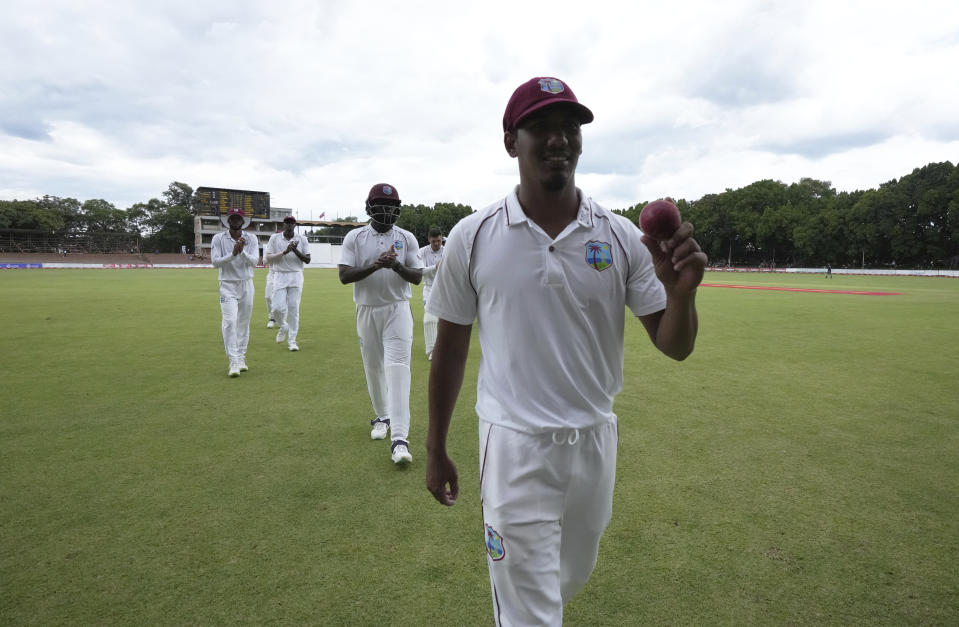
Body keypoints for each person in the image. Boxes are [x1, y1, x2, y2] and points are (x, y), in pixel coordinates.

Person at [425, 77, 707, 625]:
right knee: (529, 609)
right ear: (512, 142)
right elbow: (451, 350)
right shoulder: (474, 235)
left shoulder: (620, 236)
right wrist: (435, 445)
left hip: (594, 445)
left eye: (570, 128)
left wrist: (680, 296)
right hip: (514, 447)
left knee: (563, 582)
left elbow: (675, 346)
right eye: (542, 127)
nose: (559, 139)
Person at [339, 183, 423, 464]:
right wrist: (376, 265)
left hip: (397, 309)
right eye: (382, 206)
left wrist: (396, 266)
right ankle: (382, 417)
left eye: (392, 207)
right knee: (373, 368)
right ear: (370, 207)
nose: (387, 212)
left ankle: (400, 439)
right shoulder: (355, 236)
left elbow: (417, 276)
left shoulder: (407, 237)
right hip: (366, 310)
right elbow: (344, 276)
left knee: (398, 369)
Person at [210, 208, 259, 377]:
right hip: (227, 285)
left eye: (239, 218)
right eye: (233, 218)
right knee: (230, 322)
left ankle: (241, 358)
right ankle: (233, 361)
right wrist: (232, 254)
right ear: (228, 220)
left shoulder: (251, 238)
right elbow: (215, 262)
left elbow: (254, 261)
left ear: (243, 221)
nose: (236, 220)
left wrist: (242, 251)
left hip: (246, 284)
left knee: (243, 323)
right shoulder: (219, 238)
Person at [265, 216, 311, 351]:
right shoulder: (274, 238)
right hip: (280, 275)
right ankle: (283, 326)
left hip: (296, 275)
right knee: (277, 308)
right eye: (287, 223)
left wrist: (295, 250)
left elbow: (307, 260)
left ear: (295, 225)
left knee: (294, 309)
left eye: (292, 223)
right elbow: (268, 257)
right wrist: (285, 251)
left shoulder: (302, 239)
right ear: (283, 224)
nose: (290, 225)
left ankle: (292, 341)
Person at [417, 227, 444, 360]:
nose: (437, 244)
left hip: (446, 289)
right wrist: (435, 267)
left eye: (439, 241)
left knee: (445, 321)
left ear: (442, 238)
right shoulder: (422, 252)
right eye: (434, 241)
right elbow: (419, 271)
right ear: (429, 240)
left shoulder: (448, 250)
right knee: (430, 319)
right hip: (429, 289)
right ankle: (433, 350)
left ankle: (445, 348)